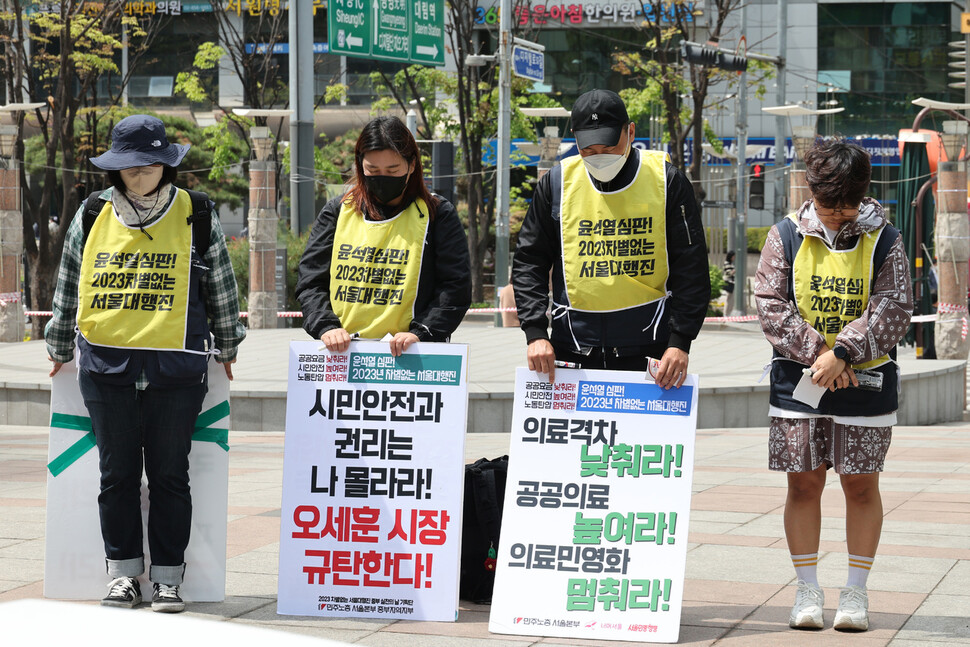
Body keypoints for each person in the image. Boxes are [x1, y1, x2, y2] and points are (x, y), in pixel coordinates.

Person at [45, 114, 246, 613]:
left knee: (170, 474)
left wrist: (228, 345)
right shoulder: (92, 214)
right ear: (115, 170)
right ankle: (122, 574)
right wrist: (57, 345)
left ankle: (168, 579)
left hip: (176, 367)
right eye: (130, 168)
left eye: (150, 166)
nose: (140, 175)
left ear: (165, 165)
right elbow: (70, 280)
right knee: (115, 476)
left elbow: (219, 282)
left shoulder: (195, 212)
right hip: (105, 365)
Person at [754, 139, 912, 632]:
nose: (838, 221)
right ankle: (806, 589)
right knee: (803, 482)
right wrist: (819, 355)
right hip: (798, 382)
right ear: (811, 190)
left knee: (861, 484)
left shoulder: (886, 239)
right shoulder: (784, 236)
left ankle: (856, 593)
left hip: (865, 381)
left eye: (847, 212)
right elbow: (771, 304)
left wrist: (843, 352)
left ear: (863, 194)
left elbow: (894, 306)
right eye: (829, 210)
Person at [511, 89, 710, 384]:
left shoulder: (666, 181)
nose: (599, 157)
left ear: (630, 132)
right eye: (588, 150)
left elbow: (691, 266)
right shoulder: (556, 183)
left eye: (608, 147)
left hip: (650, 349)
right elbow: (529, 261)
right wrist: (536, 333)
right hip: (572, 346)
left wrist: (681, 341)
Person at [297, 116, 471, 352]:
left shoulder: (437, 215)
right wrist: (326, 326)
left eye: (392, 170)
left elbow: (455, 287)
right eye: (373, 170)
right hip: (343, 352)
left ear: (411, 165)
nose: (382, 177)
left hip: (412, 353)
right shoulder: (338, 212)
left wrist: (421, 332)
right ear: (360, 165)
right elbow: (310, 281)